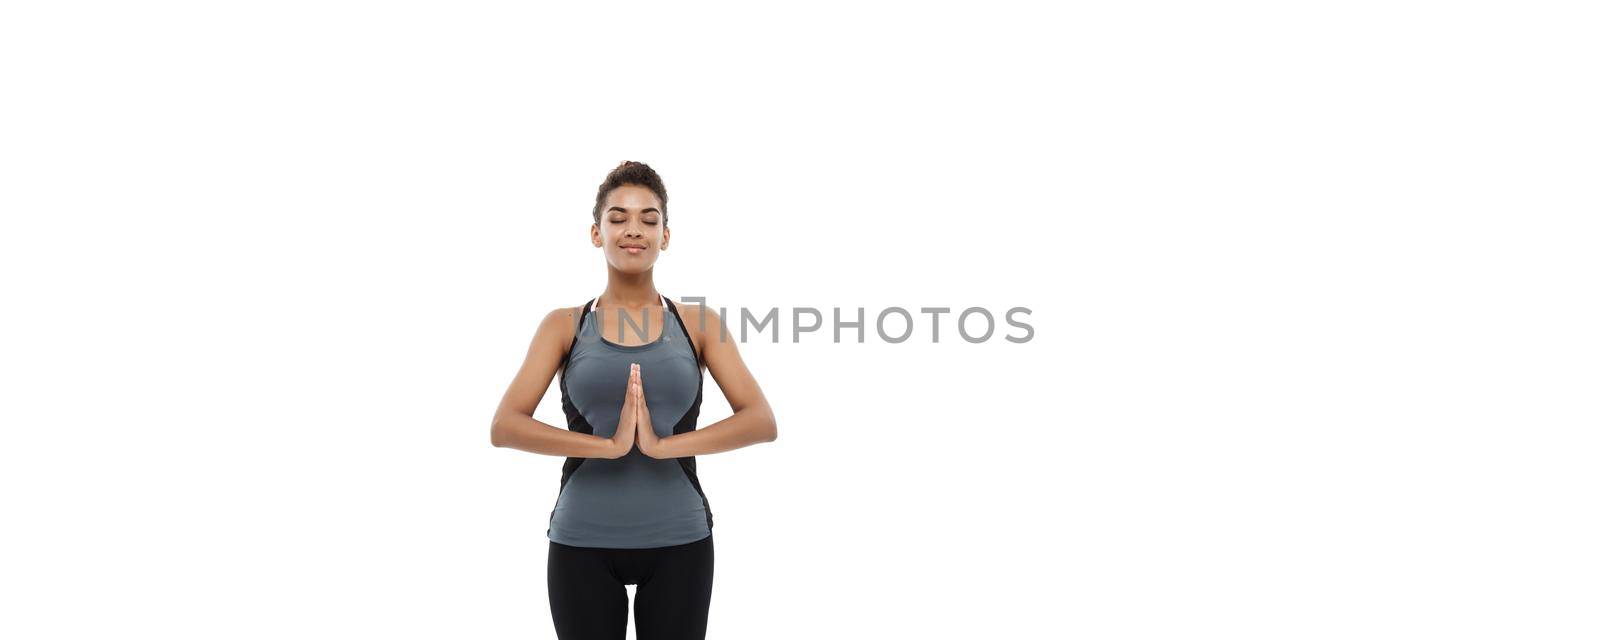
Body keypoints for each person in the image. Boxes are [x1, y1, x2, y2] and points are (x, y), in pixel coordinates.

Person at [490, 161, 779, 640]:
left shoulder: (698, 323)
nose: (634, 230)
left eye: (649, 219)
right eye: (618, 217)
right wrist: (609, 446)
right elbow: (505, 426)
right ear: (595, 232)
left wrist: (664, 446)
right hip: (581, 541)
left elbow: (761, 420)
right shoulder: (563, 325)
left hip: (680, 540)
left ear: (665, 236)